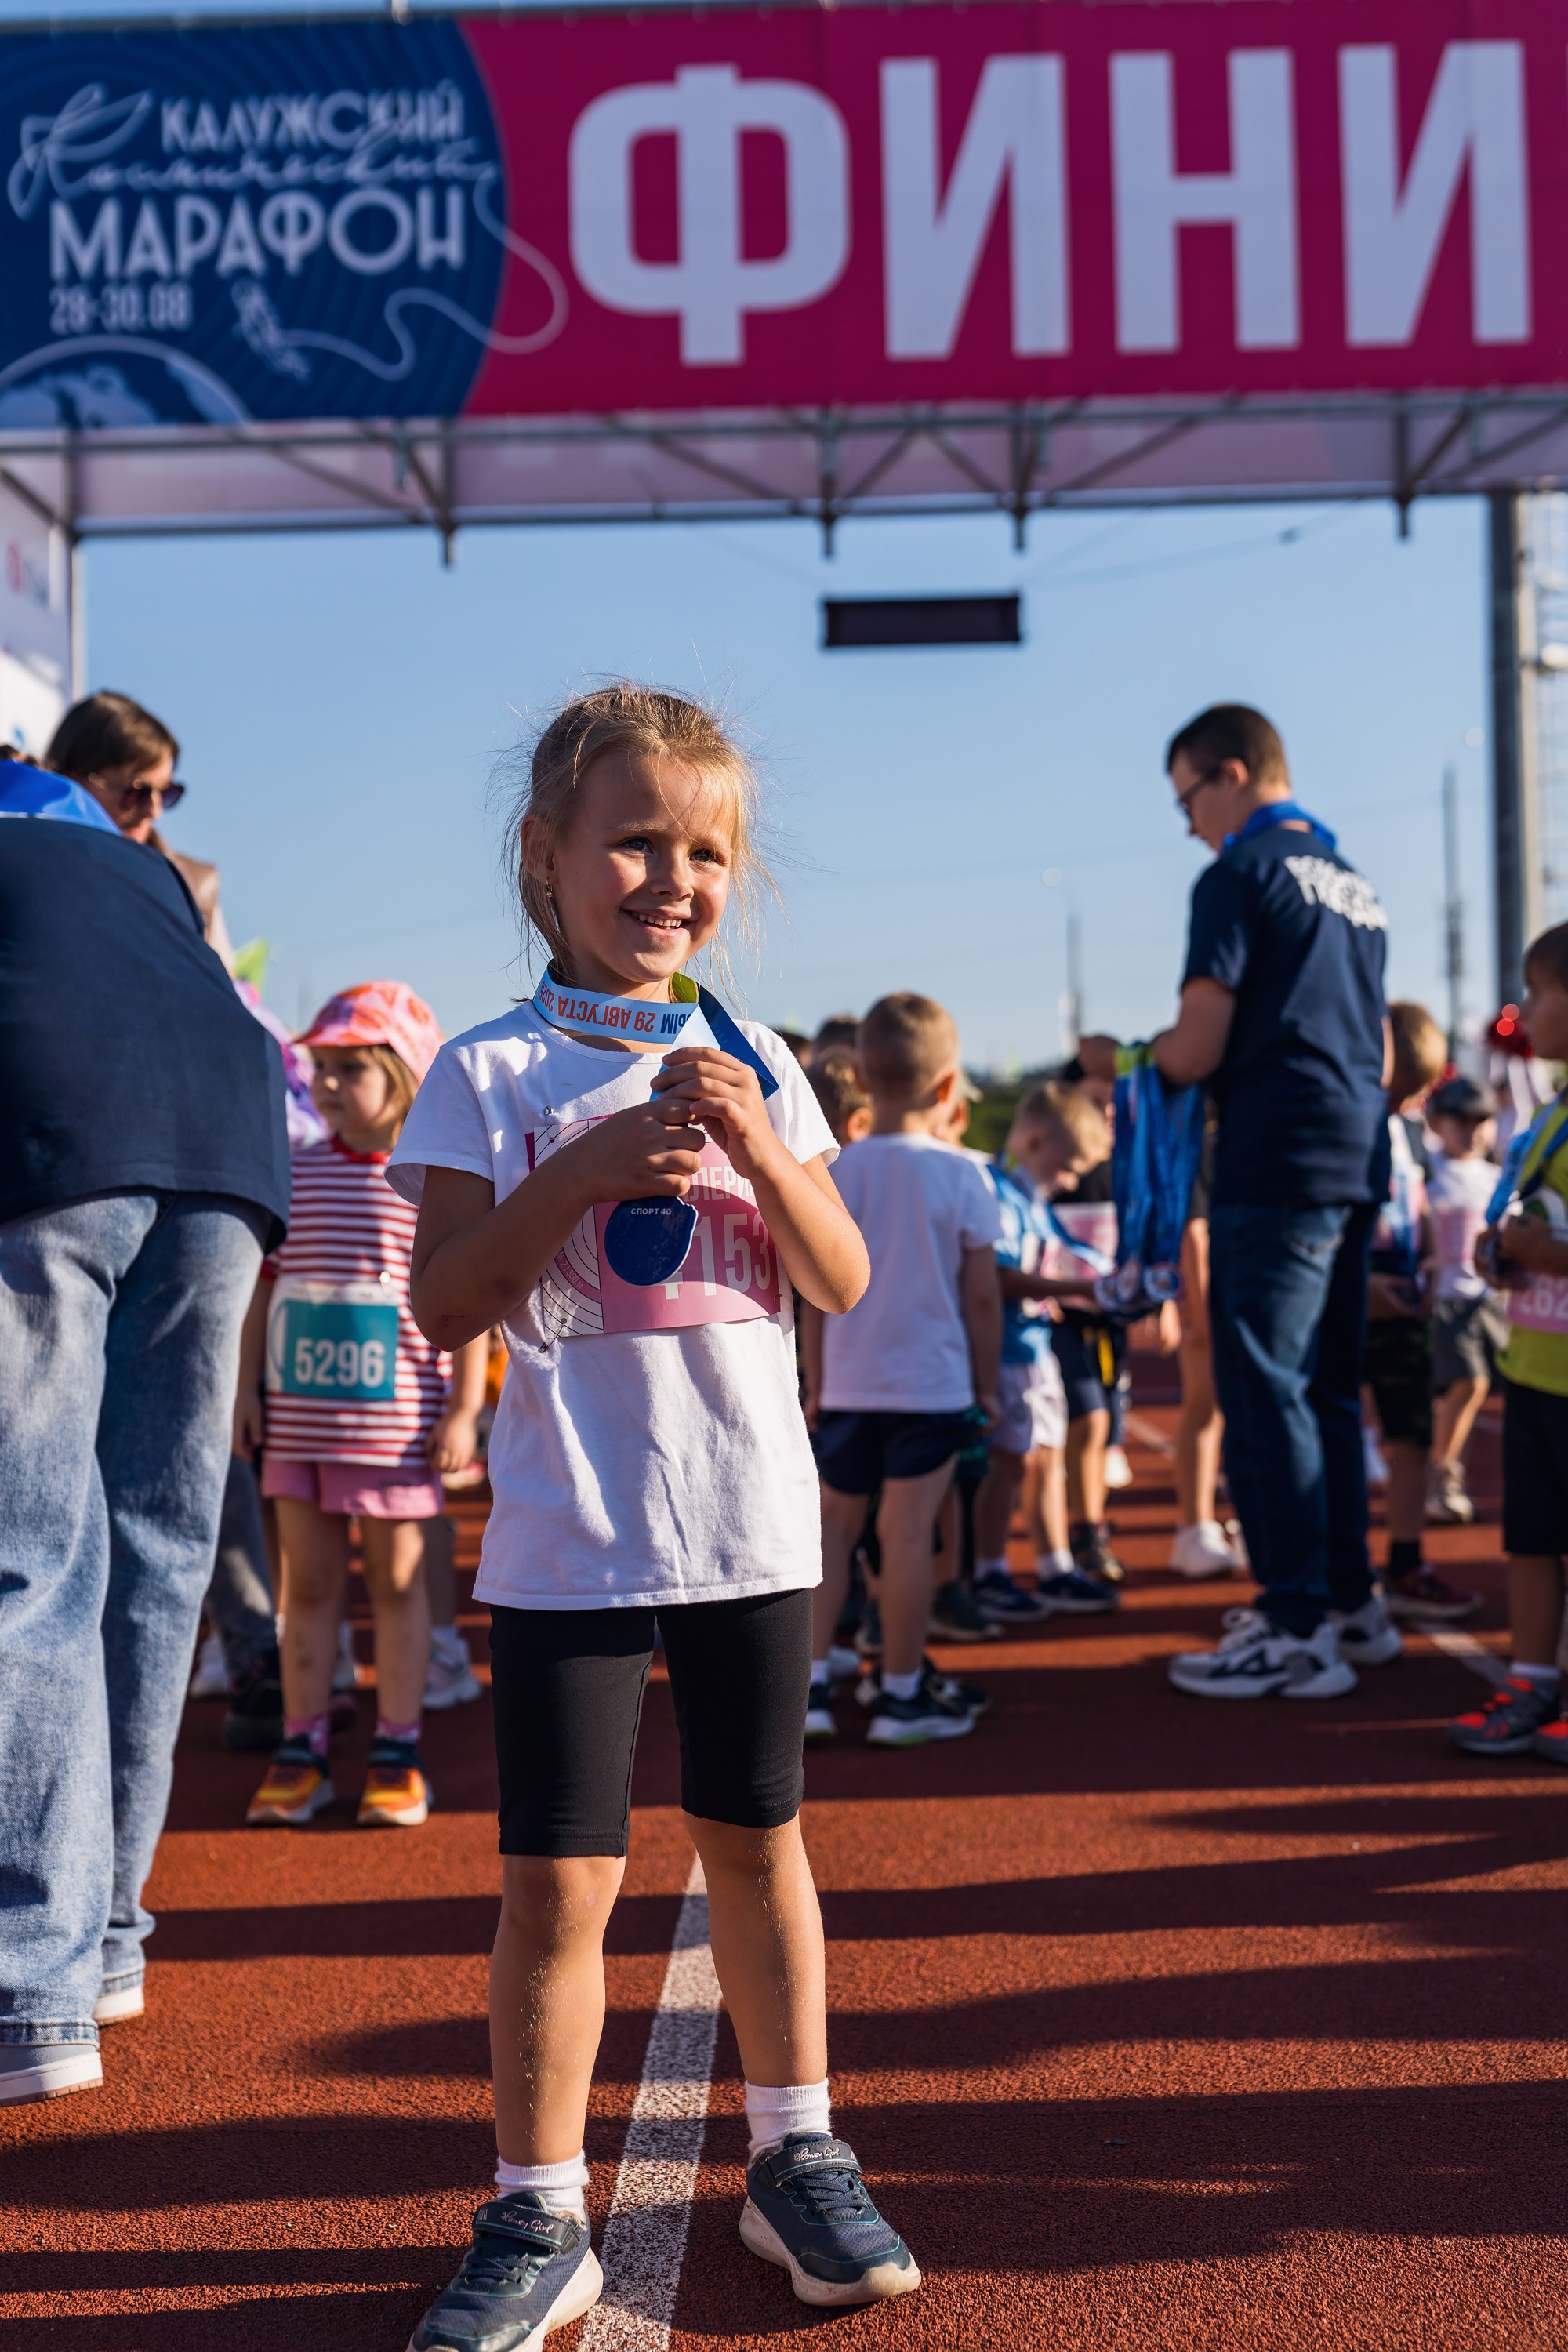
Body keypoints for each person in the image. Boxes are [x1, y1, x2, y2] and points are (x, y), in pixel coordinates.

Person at [387, 688, 919, 2341]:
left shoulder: (760, 1061)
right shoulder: (484, 1069)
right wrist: (589, 1164)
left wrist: (763, 1141)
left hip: (751, 1532)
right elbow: (446, 1303)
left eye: (704, 852)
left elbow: (844, 1278)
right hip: (570, 1544)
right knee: (559, 1887)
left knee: (758, 1847)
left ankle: (795, 2152)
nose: (672, 879)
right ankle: (538, 2209)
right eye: (632, 841)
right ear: (544, 858)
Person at [0, 757, 287, 2103]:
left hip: (61, 1120)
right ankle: (105, 1938)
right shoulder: (109, 848)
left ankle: (28, 1985)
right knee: (157, 1553)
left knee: (31, 1550)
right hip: (226, 1138)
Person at [1083, 702, 1396, 1697]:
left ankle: (1294, 1625)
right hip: (1354, 1155)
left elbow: (1194, 1049)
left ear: (1229, 774)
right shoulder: (1356, 886)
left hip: (1276, 1159)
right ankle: (1350, 1603)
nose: (1188, 825)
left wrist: (1123, 1060)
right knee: (1328, 1392)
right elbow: (1384, 1054)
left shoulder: (1238, 875)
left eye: (1187, 799)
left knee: (1263, 1391)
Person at [237, 982, 488, 1831]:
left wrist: (462, 1411)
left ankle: (396, 1748)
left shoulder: (433, 1183)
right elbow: (261, 1292)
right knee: (306, 1588)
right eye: (321, 1067)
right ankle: (300, 1746)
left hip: (396, 1434)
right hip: (299, 1428)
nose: (329, 1084)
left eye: (351, 1068)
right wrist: (244, 1392)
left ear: (403, 1073)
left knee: (396, 1585)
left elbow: (466, 1301)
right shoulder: (294, 1169)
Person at [809, 993, 1003, 1747]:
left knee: (832, 1532)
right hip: (932, 1385)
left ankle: (810, 1691)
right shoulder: (965, 1177)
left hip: (849, 1383)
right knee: (909, 1534)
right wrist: (986, 1386)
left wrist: (817, 1384)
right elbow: (981, 1297)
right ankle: (900, 1691)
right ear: (949, 1086)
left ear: (859, 1076)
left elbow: (816, 1290)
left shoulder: (836, 1171)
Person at [1446, 927, 1568, 1755]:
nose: (1522, 1011)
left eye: (1537, 993)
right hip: (1531, 1368)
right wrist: (1500, 1252)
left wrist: (1546, 1254)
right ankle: (1529, 1680)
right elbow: (1521, 1218)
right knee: (1530, 1537)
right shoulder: (1549, 1119)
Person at [971, 1084, 1120, 1620]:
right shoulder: (999, 1195)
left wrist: (1106, 1282)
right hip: (1008, 1354)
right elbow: (1001, 1278)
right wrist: (1083, 1291)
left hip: (1036, 1350)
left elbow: (1058, 1258)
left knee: (1049, 1459)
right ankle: (988, 1571)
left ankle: (1056, 1566)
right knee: (1011, 1464)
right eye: (1069, 1167)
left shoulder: (1032, 1200)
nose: (1072, 1181)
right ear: (1035, 1142)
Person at [1360, 1004, 1478, 1623]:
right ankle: (1339, 1569)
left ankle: (1406, 1561)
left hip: (1406, 1301)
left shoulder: (1411, 1133)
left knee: (1412, 1434)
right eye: (1408, 1086)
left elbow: (1422, 1204)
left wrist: (1432, 1260)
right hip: (1353, 1300)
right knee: (1337, 1433)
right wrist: (1362, 1285)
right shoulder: (1350, 1125)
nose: (1414, 1100)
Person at [47, 690, 235, 969]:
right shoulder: (24, 872)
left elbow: (221, 990)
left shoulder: (196, 888)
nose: (154, 811)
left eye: (167, 792)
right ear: (71, 781)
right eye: (136, 792)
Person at [1042, 1091, 1127, 1584]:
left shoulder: (1124, 1171)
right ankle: (1081, 1533)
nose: (1109, 1115)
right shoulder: (1058, 1172)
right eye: (1098, 1104)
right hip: (1063, 1319)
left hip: (1110, 1323)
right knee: (1089, 1420)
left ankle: (1091, 1527)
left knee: (1104, 1427)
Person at [1426, 1075, 1509, 1530]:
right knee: (1468, 1384)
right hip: (1445, 1300)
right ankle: (1442, 1474)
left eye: (1482, 1120)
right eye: (1461, 1119)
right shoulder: (1428, 1172)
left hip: (1487, 1302)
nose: (1472, 1130)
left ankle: (1447, 1471)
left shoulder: (1497, 1177)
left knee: (1476, 1392)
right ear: (1438, 1123)